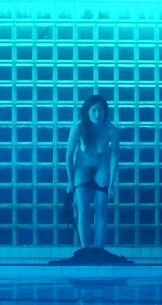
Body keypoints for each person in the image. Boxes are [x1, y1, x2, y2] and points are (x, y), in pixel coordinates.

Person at [65, 95, 121, 249]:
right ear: (87, 112)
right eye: (94, 110)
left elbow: (115, 157)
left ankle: (99, 249)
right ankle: (85, 248)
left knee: (101, 210)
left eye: (100, 110)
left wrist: (112, 184)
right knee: (82, 209)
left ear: (105, 111)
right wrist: (70, 181)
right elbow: (69, 155)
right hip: (82, 169)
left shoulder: (111, 129)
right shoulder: (78, 128)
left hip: (101, 168)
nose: (97, 114)